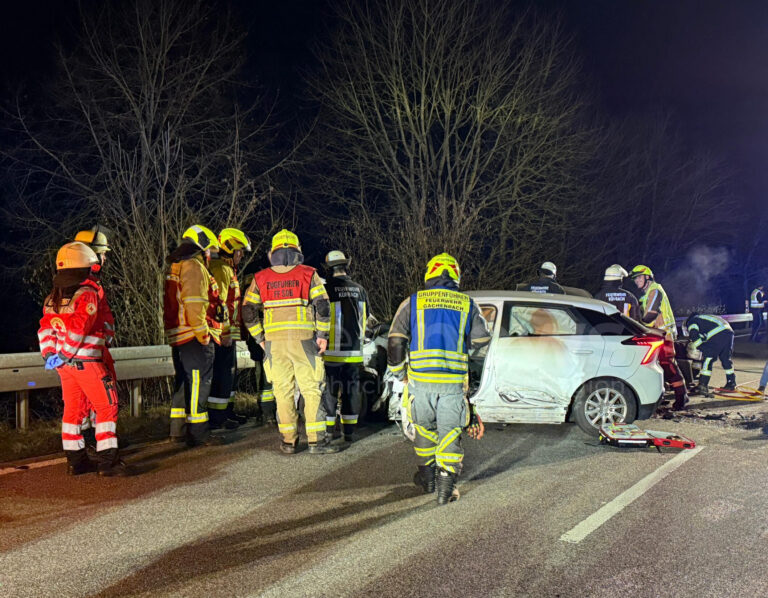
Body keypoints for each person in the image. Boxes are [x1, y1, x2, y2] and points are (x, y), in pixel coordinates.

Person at [387, 253, 490, 505]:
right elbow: (480, 344)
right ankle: (446, 487)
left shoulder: (412, 302)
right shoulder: (468, 305)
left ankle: (428, 479)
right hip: (453, 384)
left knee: (424, 430)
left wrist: (400, 373)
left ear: (429, 274)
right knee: (450, 432)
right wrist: (472, 383)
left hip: (420, 383)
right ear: (455, 276)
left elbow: (395, 341)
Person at [241, 229, 338, 454]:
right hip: (304, 342)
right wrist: (322, 337)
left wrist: (260, 338)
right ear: (297, 251)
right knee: (311, 390)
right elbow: (323, 306)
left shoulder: (260, 278)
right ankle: (316, 441)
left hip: (275, 344)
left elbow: (248, 311)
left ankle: (288, 442)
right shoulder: (308, 274)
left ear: (272, 252)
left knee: (282, 392)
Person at [37, 242, 128, 476]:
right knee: (107, 407)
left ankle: (76, 461)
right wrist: (66, 353)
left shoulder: (52, 298)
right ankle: (109, 462)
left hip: (65, 368)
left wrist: (51, 355)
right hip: (87, 363)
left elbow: (45, 330)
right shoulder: (87, 294)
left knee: (73, 412)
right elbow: (80, 328)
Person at [163, 225, 223, 447]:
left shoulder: (177, 266)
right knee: (199, 383)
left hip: (179, 334)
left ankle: (177, 431)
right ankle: (199, 433)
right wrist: (203, 334)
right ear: (203, 249)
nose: (210, 256)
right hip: (193, 336)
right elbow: (195, 303)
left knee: (184, 382)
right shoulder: (194, 266)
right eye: (210, 252)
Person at [73, 225, 116, 443]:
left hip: (95, 351)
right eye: (103, 254)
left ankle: (92, 440)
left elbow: (104, 317)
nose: (105, 259)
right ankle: (97, 444)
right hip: (87, 355)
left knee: (90, 402)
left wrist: (107, 337)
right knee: (93, 401)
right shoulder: (82, 285)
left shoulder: (92, 283)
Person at [321, 250, 370, 442]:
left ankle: (329, 431)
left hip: (332, 351)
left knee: (330, 392)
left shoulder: (325, 289)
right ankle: (349, 432)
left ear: (329, 268)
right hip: (354, 352)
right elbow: (366, 318)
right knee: (351, 391)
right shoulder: (360, 290)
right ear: (346, 266)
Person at [208, 228, 251, 429]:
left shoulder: (227, 269)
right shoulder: (221, 269)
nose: (241, 255)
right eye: (239, 251)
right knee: (222, 375)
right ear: (230, 249)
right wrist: (225, 332)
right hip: (221, 335)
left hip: (227, 334)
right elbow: (220, 303)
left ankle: (226, 412)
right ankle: (218, 418)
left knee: (229, 376)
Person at [629, 265, 688, 410]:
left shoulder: (655, 290)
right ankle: (659, 396)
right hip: (656, 335)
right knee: (655, 366)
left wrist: (634, 321)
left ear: (647, 277)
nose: (636, 281)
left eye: (639, 278)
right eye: (635, 279)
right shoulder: (647, 293)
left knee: (667, 364)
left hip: (663, 335)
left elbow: (650, 315)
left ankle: (682, 396)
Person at [685, 313, 736, 396]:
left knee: (708, 359)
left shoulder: (692, 321)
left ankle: (703, 386)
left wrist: (702, 349)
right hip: (729, 332)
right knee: (726, 359)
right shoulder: (705, 319)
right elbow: (705, 336)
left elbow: (694, 337)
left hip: (718, 334)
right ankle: (731, 383)